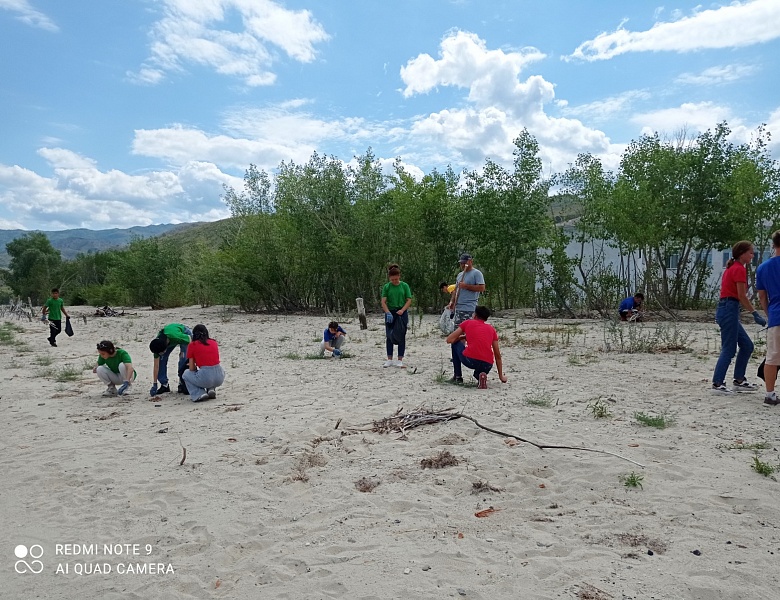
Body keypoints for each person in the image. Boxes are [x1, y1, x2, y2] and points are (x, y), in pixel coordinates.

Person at [712, 241, 766, 395]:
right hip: (729, 309)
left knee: (747, 346)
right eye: (750, 252)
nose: (752, 255)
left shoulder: (733, 267)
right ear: (742, 253)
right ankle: (717, 383)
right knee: (729, 349)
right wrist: (754, 313)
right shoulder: (738, 269)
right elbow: (741, 296)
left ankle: (739, 380)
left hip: (729, 309)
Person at [445, 305, 507, 388]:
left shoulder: (468, 323)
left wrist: (462, 337)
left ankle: (457, 376)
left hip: (471, 360)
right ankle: (481, 376)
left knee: (455, 343)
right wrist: (501, 376)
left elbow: (449, 339)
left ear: (475, 315)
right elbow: (497, 354)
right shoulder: (491, 329)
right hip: (487, 363)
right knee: (480, 372)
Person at [756, 231, 780, 405]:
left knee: (772, 357)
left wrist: (769, 314)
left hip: (776, 315)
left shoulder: (763, 267)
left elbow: (762, 297)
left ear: (773, 245)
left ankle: (770, 394)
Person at [182, 324, 225, 402]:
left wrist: (194, 365)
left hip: (206, 376)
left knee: (186, 374)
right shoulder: (213, 342)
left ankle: (199, 393)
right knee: (210, 371)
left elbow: (191, 368)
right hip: (219, 376)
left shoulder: (192, 345)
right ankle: (211, 389)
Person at [381, 264, 413, 368]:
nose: (394, 281)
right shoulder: (387, 287)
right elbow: (383, 301)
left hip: (401, 313)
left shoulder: (404, 286)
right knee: (389, 336)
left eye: (396, 279)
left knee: (401, 336)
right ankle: (389, 359)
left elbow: (409, 300)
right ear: (389, 278)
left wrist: (402, 310)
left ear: (399, 276)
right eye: (392, 279)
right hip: (390, 312)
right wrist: (387, 312)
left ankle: (400, 359)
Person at [149, 323, 192, 397]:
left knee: (183, 359)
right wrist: (154, 384)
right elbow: (156, 365)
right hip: (169, 338)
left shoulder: (176, 337)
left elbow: (191, 340)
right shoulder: (157, 345)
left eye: (162, 352)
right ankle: (164, 385)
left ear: (165, 347)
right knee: (161, 360)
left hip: (184, 334)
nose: (161, 354)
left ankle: (182, 383)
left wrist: (185, 353)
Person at [448, 254, 486, 326]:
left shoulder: (476, 273)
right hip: (458, 308)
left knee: (468, 330)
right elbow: (456, 290)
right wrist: (452, 302)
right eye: (461, 263)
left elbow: (482, 288)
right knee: (457, 330)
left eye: (464, 263)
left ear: (470, 261)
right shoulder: (460, 275)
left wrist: (466, 286)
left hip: (469, 309)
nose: (462, 265)